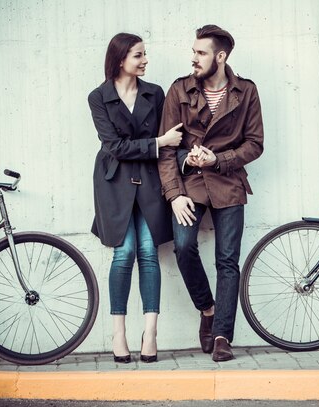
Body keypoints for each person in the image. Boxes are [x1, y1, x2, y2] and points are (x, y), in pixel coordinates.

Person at [157, 25, 264, 361]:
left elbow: (255, 143)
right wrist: (174, 193)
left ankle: (222, 335)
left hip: (229, 182)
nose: (194, 59)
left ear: (221, 56)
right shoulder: (179, 90)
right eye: (193, 52)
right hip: (190, 184)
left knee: (227, 261)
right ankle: (207, 309)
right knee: (185, 247)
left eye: (201, 53)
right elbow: (165, 149)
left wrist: (220, 158)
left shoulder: (246, 91)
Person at [89, 33, 183, 363]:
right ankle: (118, 333)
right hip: (114, 183)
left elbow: (173, 142)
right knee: (124, 251)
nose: (145, 60)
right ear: (120, 60)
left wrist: (166, 146)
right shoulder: (99, 97)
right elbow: (113, 146)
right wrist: (157, 142)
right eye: (138, 56)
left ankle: (151, 332)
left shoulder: (154, 93)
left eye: (145, 54)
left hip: (149, 180)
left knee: (147, 249)